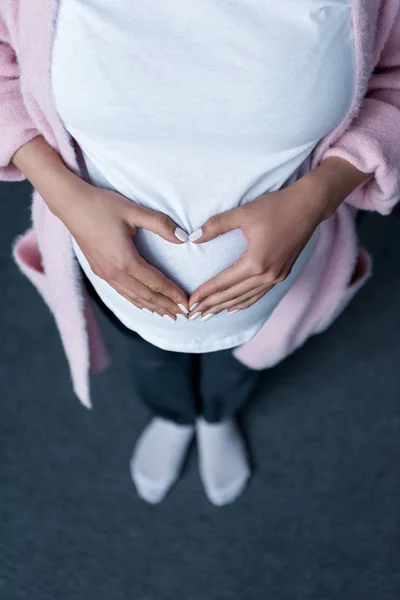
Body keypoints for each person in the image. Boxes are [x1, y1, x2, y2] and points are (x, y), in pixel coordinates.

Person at [1, 1, 399, 506]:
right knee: (151, 358)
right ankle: (173, 413)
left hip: (284, 283)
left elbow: (394, 83)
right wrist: (64, 194)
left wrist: (318, 196)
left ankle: (216, 413)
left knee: (245, 360)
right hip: (119, 282)